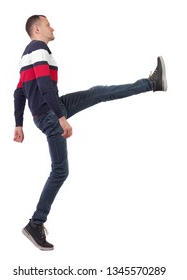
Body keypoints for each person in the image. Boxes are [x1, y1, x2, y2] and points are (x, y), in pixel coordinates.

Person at [13, 15, 167, 251]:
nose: (52, 27)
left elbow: (19, 92)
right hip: (51, 114)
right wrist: (61, 118)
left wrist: (19, 124)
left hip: (50, 109)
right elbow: (43, 86)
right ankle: (36, 223)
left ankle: (151, 84)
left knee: (98, 93)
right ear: (36, 28)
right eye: (47, 24)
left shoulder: (27, 54)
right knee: (60, 171)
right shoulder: (39, 48)